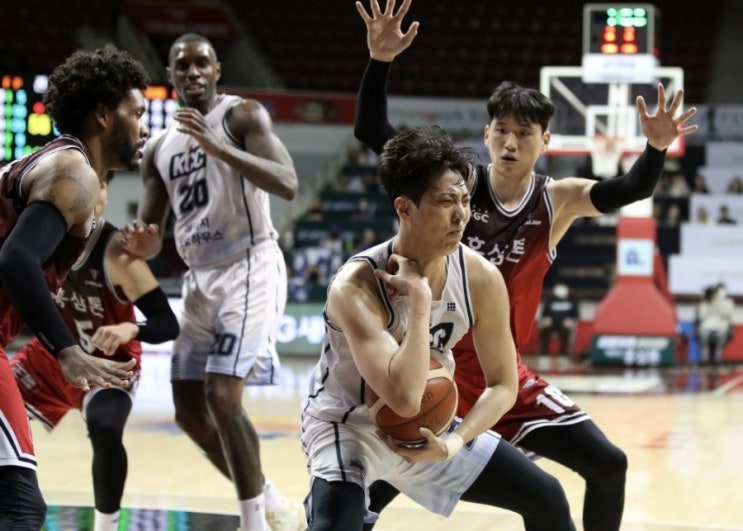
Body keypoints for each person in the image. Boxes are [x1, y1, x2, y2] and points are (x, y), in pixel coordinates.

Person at [352, 2, 698, 530]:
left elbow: (632, 188)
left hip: (502, 371)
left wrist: (653, 147)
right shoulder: (454, 185)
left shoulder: (557, 199)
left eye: (525, 132)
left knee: (609, 465)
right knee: (376, 486)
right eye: (502, 130)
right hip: (434, 365)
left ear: (545, 141)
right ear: (487, 134)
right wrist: (379, 63)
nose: (511, 142)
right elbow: (374, 130)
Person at [301, 124, 574, 531]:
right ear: (405, 209)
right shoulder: (354, 287)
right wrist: (421, 300)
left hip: (431, 428)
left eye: (465, 199)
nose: (461, 214)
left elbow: (503, 384)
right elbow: (405, 399)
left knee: (547, 497)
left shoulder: (480, 277)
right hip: (349, 424)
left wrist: (454, 442)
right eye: (447, 201)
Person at [123, 33, 304, 531]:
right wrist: (141, 243)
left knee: (224, 396)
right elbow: (153, 233)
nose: (193, 72)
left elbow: (287, 183)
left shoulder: (242, 116)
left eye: (202, 62)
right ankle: (267, 497)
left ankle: (253, 524)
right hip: (200, 281)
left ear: (218, 69)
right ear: (171, 75)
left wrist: (217, 148)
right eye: (182, 66)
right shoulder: (158, 148)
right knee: (189, 411)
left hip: (250, 265)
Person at [0, 44, 148, 530]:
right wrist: (67, 349)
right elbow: (16, 257)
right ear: (103, 116)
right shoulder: (76, 175)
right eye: (137, 113)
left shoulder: (58, 167)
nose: (145, 126)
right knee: (19, 506)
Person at [10, 175, 179, 531]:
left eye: (98, 183)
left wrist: (131, 328)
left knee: (104, 427)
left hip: (107, 365)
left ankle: (105, 525)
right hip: (51, 355)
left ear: (105, 191)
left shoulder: (117, 251)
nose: (87, 190)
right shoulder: (36, 238)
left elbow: (167, 323)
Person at [537, 281, 579, 368]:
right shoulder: (549, 301)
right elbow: (544, 315)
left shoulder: (572, 301)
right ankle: (544, 357)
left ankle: (563, 357)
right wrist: (547, 319)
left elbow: (575, 315)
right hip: (552, 324)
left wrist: (570, 320)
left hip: (564, 325)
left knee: (566, 331)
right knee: (544, 330)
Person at [695, 283, 735, 365]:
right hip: (706, 328)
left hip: (721, 328)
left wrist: (718, 303)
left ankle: (718, 360)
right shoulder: (704, 303)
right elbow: (701, 316)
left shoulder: (726, 302)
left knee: (721, 336)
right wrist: (708, 302)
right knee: (703, 335)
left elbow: (727, 314)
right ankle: (704, 361)